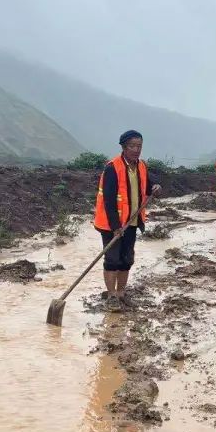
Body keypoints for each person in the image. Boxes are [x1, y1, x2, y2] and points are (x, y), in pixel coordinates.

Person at [93, 130, 161, 310]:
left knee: (126, 259)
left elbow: (146, 187)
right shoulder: (112, 168)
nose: (136, 150)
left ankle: (121, 293)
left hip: (132, 221)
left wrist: (155, 187)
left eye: (139, 146)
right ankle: (111, 296)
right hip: (112, 224)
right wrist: (116, 226)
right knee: (112, 260)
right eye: (132, 146)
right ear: (124, 147)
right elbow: (108, 200)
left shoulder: (141, 166)